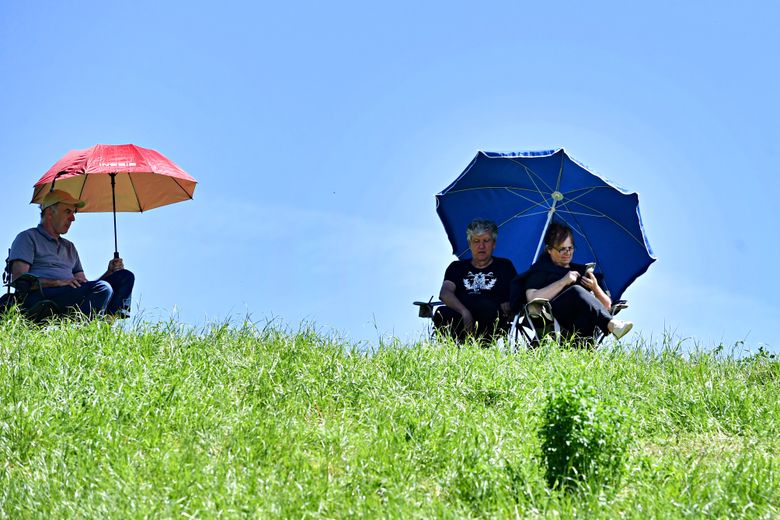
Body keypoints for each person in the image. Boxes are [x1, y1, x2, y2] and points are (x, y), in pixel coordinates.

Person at [7, 189, 134, 318]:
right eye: (68, 211)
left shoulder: (69, 247)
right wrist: (58, 282)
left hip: (68, 293)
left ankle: (107, 324)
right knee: (103, 288)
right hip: (41, 297)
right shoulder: (27, 237)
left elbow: (83, 283)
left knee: (125, 276)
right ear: (50, 212)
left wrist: (109, 272)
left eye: (73, 213)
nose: (73, 218)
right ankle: (86, 331)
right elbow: (20, 281)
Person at [522, 222, 632, 342]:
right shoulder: (540, 270)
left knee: (586, 310)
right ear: (549, 249)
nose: (567, 253)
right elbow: (532, 298)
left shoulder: (582, 271)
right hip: (554, 315)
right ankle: (612, 325)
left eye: (570, 248)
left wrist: (595, 288)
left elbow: (606, 307)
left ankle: (594, 342)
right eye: (562, 249)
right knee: (576, 290)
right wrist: (563, 282)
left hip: (583, 321)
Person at [434, 218, 517, 342]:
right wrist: (465, 313)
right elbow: (445, 293)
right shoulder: (456, 267)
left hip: (492, 316)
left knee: (487, 307)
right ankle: (453, 353)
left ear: (493, 243)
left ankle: (482, 351)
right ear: (470, 244)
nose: (481, 246)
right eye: (476, 241)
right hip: (461, 313)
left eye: (486, 241)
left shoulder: (504, 266)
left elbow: (516, 291)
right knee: (442, 312)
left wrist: (510, 302)